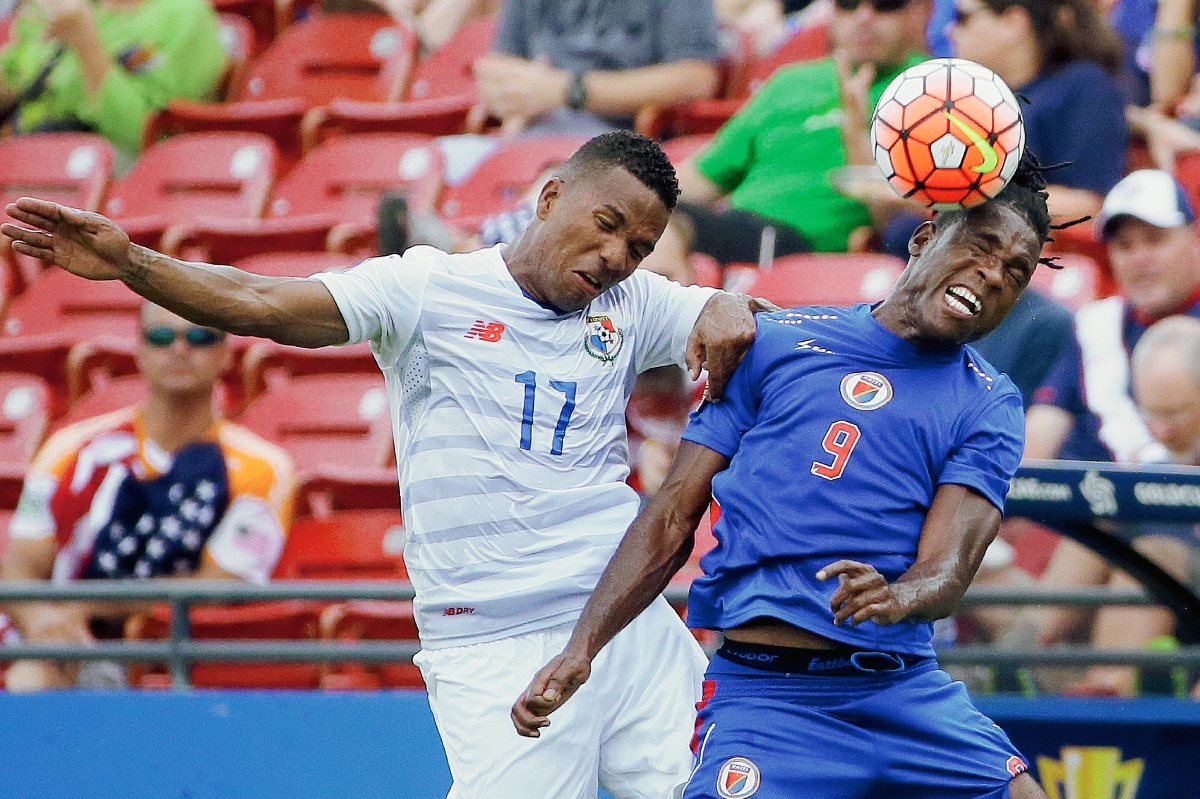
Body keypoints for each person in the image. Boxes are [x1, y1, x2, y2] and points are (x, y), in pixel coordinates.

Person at [1, 131, 764, 799]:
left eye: (637, 247)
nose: (615, 256)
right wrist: (131, 262)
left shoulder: (631, 304)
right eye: (606, 227)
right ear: (551, 196)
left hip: (621, 622)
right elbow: (262, 301)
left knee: (736, 785)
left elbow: (743, 321)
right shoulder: (428, 288)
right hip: (498, 642)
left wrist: (731, 304)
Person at [512, 151, 1057, 799]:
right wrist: (582, 649)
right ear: (923, 237)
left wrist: (903, 595)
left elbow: (950, 565)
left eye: (1015, 271)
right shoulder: (773, 343)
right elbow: (670, 515)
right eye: (980, 246)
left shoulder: (987, 400)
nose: (992, 273)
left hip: (901, 691)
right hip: (768, 698)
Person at [0, 302, 296, 691]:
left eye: (200, 336)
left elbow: (217, 587)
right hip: (68, 647)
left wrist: (87, 605)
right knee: (31, 678)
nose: (179, 349)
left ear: (227, 354)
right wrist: (42, 620)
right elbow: (20, 567)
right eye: (160, 337)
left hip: (184, 654)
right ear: (138, 350)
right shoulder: (71, 451)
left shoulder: (264, 467)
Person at [999, 169, 1200, 669]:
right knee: (1091, 535)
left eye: (1155, 240)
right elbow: (1038, 438)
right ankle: (1014, 669)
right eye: (1125, 246)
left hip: (1180, 544)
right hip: (1091, 543)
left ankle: (1095, 702)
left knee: (1144, 552)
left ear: (1194, 239)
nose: (1140, 259)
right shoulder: (1095, 330)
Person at [674, 0, 931, 263]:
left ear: (920, 11)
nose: (863, 17)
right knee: (653, 214)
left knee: (670, 229)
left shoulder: (932, 88)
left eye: (885, 6)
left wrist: (855, 130)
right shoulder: (790, 81)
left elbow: (898, 221)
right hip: (734, 228)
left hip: (802, 248)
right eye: (848, 4)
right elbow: (702, 178)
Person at [1057, 314, 1200, 697]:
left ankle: (1109, 694)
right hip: (1176, 607)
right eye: (1150, 414)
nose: (1160, 430)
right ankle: (1014, 660)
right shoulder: (1152, 465)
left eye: (1173, 414)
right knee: (1092, 536)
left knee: (1154, 556)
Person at [947, 0, 1127, 225]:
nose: (949, 30)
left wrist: (968, 198)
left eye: (962, 18)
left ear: (1013, 24)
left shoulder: (1084, 87)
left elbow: (1091, 204)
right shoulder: (969, 97)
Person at [0, 0, 227, 160]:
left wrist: (85, 42)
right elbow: (12, 80)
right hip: (26, 150)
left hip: (113, 164)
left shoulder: (183, 14)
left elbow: (146, 132)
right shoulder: (61, 7)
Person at [473, 0, 722, 137]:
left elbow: (696, 78)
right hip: (526, 134)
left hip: (619, 142)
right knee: (439, 162)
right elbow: (499, 63)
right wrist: (508, 96)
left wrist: (568, 89)